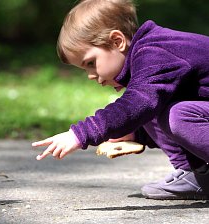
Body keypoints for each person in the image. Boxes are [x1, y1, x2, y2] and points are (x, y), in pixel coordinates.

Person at [32, 0, 209, 200]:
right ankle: (197, 174)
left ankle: (196, 171)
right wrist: (136, 135)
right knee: (151, 107)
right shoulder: (147, 67)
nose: (90, 75)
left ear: (117, 41)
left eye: (91, 63)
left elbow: (137, 103)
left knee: (177, 114)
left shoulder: (155, 53)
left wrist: (81, 133)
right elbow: (148, 109)